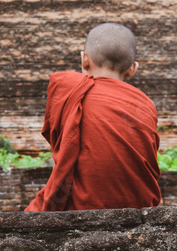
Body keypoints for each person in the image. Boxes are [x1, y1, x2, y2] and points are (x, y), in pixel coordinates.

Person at [25, 23, 161, 211]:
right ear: (132, 69)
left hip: (80, 207)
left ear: (84, 60)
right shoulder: (145, 105)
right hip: (136, 206)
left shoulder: (68, 90)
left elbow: (64, 156)